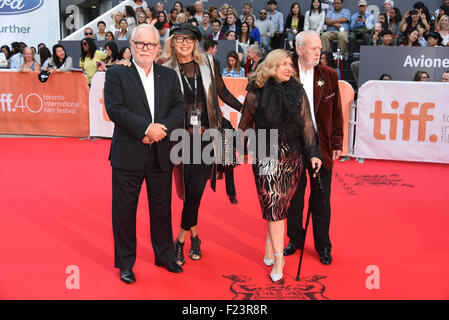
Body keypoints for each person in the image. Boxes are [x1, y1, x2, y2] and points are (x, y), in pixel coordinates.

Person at [104, 24, 186, 284]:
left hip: (160, 152)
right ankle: (126, 262)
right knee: (125, 211)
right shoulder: (117, 75)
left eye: (150, 44)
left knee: (162, 209)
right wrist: (145, 128)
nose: (145, 49)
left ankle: (164, 255)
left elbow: (179, 108)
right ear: (131, 46)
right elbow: (115, 110)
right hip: (128, 153)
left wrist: (160, 130)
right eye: (139, 44)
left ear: (158, 48)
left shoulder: (169, 76)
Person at [161, 23, 243, 267]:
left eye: (189, 39)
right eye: (179, 39)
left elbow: (223, 93)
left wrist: (247, 111)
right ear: (172, 43)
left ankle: (181, 241)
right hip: (182, 139)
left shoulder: (208, 63)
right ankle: (195, 237)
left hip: (208, 136)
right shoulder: (165, 69)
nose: (184, 44)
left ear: (195, 43)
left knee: (195, 191)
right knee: (189, 192)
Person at [239, 48, 322, 282]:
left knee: (279, 206)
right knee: (273, 204)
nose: (288, 68)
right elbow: (245, 124)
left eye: (290, 64)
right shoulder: (256, 93)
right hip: (266, 151)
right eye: (282, 64)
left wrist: (314, 153)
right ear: (271, 67)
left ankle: (269, 241)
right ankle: (278, 257)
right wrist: (237, 150)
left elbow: (307, 125)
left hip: (293, 155)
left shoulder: (297, 91)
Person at [284, 31, 343, 265]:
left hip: (320, 144)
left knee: (321, 197)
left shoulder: (328, 75)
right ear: (299, 50)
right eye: (313, 48)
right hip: (293, 144)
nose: (319, 52)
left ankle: (323, 246)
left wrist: (337, 141)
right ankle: (295, 239)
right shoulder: (285, 71)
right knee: (294, 197)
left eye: (320, 48)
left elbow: (337, 111)